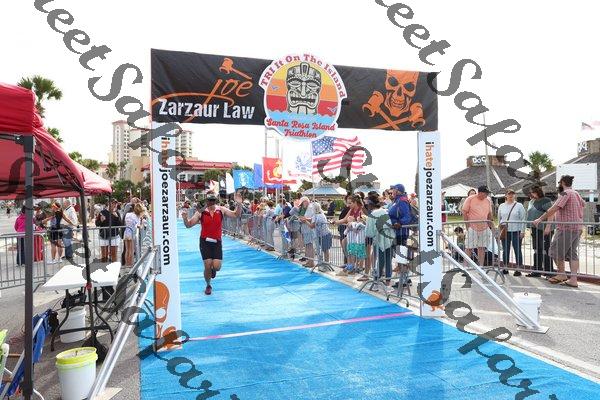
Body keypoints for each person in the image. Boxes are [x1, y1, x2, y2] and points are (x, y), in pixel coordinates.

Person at [182, 192, 242, 295]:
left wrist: (239, 204)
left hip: (217, 242)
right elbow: (189, 225)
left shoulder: (221, 210)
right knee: (207, 265)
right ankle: (208, 285)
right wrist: (184, 218)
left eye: (213, 200)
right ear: (206, 201)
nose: (211, 203)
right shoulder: (200, 212)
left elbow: (236, 214)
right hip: (205, 242)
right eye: (209, 200)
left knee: (217, 267)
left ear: (215, 201)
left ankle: (213, 270)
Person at [533, 175, 584, 288]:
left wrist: (540, 219)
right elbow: (583, 205)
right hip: (577, 227)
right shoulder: (576, 193)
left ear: (562, 183)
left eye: (559, 183)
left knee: (554, 250)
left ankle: (561, 274)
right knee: (572, 253)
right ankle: (573, 280)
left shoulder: (565, 193)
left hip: (566, 228)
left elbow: (554, 208)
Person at [366, 193, 395, 283]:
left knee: (380, 260)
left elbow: (369, 232)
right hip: (390, 238)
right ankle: (388, 281)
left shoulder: (372, 215)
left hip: (379, 239)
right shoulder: (385, 211)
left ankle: (376, 280)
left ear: (370, 205)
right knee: (388, 260)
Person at [462, 186, 494, 266]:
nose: (487, 195)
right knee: (469, 248)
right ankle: (465, 267)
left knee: (482, 248)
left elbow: (490, 213)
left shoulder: (488, 200)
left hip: (484, 228)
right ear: (480, 193)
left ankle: (481, 267)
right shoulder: (470, 199)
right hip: (472, 227)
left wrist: (490, 225)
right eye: (486, 193)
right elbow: (464, 212)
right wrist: (467, 225)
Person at [527, 186, 554, 277]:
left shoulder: (546, 200)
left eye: (532, 192)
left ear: (537, 192)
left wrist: (548, 227)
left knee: (546, 250)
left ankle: (549, 272)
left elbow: (551, 213)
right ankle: (537, 270)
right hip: (535, 228)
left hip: (544, 229)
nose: (531, 194)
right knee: (537, 249)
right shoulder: (532, 201)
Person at [498, 189, 526, 276]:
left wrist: (523, 231)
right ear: (506, 195)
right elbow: (499, 218)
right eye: (509, 194)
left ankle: (518, 268)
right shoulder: (501, 206)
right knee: (505, 249)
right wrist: (499, 230)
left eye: (512, 194)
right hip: (505, 231)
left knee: (517, 249)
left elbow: (523, 218)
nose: (511, 196)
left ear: (514, 195)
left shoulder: (519, 205)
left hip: (516, 230)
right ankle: (505, 267)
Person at [307, 202, 333, 268]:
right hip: (324, 234)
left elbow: (312, 225)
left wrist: (305, 221)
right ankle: (325, 263)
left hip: (324, 234)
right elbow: (313, 220)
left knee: (325, 250)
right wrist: (306, 219)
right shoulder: (320, 214)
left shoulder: (317, 215)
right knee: (324, 250)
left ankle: (326, 264)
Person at [296, 197, 316, 268]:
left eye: (302, 203)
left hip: (309, 230)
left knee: (310, 246)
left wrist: (304, 219)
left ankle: (311, 262)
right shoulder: (307, 208)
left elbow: (313, 219)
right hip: (306, 229)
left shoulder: (310, 208)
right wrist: (302, 219)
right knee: (307, 246)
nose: (302, 205)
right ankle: (309, 261)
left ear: (306, 202)